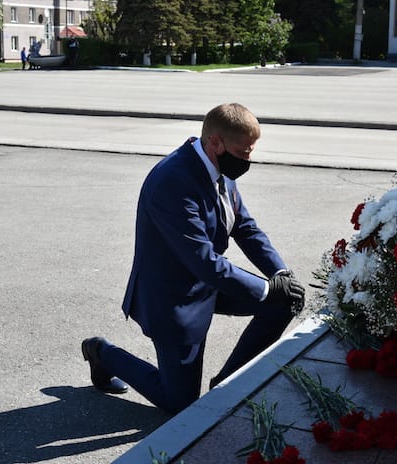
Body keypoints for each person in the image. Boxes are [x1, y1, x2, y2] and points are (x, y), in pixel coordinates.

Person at [82, 103, 305, 414]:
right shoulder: (172, 181)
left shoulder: (219, 167)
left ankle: (226, 386)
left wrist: (281, 273)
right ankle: (103, 353)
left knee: (286, 300)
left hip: (209, 283)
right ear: (215, 142)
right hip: (173, 296)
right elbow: (203, 260)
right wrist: (268, 288)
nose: (248, 161)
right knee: (180, 402)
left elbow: (244, 227)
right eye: (243, 154)